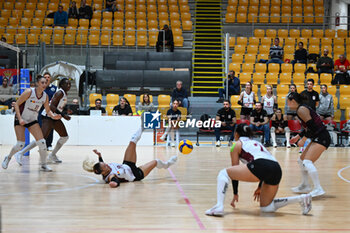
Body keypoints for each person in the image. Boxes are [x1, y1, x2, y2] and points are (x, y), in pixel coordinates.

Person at [205, 123, 312, 217]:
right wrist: (260, 186)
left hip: (260, 166)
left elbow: (233, 170)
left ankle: (219, 206)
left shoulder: (236, 145)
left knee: (223, 173)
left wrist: (235, 193)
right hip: (276, 168)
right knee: (266, 208)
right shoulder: (257, 143)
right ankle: (302, 198)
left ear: (236, 134)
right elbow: (265, 162)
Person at [84, 127, 178, 188]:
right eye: (105, 166)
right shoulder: (110, 176)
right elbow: (114, 181)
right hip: (136, 174)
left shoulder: (104, 169)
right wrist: (114, 184)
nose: (107, 165)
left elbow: (101, 165)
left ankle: (143, 125)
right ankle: (167, 164)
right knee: (156, 161)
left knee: (133, 140)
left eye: (105, 164)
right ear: (104, 172)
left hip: (127, 164)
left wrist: (100, 156)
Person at [1, 75, 60, 171]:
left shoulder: (45, 96)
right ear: (37, 83)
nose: (44, 84)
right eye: (42, 83)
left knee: (42, 142)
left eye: (46, 83)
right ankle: (8, 157)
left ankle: (43, 165)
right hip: (21, 118)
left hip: (32, 120)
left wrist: (54, 116)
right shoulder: (29, 92)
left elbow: (48, 110)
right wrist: (20, 119)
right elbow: (16, 104)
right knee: (20, 144)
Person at [12, 78, 72, 164]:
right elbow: (52, 107)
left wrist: (65, 110)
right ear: (62, 85)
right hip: (48, 117)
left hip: (54, 117)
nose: (69, 86)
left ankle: (52, 155)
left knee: (64, 137)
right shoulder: (60, 93)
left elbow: (58, 106)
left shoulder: (64, 93)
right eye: (67, 84)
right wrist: (63, 115)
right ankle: (20, 153)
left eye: (70, 84)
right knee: (41, 139)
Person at [288, 92, 330, 197]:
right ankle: (305, 185)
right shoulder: (301, 109)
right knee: (301, 160)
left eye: (288, 102)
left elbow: (312, 127)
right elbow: (309, 126)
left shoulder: (301, 109)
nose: (287, 104)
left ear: (293, 101)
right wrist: (298, 136)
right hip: (318, 136)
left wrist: (303, 139)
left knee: (307, 161)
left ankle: (318, 188)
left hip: (322, 137)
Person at [41, 72, 58, 151]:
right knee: (41, 128)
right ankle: (42, 144)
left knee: (50, 128)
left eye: (48, 77)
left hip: (50, 112)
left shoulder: (55, 88)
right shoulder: (40, 88)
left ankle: (49, 144)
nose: (47, 78)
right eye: (45, 77)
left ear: (50, 78)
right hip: (41, 111)